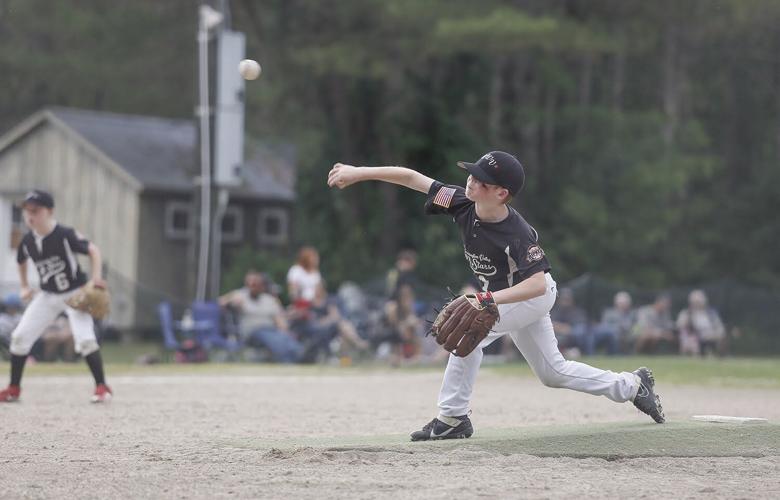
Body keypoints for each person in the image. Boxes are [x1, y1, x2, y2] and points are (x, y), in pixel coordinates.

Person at [327, 151, 665, 441]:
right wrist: (359, 173)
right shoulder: (461, 202)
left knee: (470, 330)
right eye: (473, 174)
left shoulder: (516, 233)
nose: (472, 181)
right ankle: (633, 386)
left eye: (482, 180)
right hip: (504, 296)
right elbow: (413, 178)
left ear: (502, 193)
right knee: (553, 372)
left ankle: (452, 418)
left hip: (530, 296)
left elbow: (537, 284)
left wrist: (487, 301)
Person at [0, 190, 112, 403]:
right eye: (27, 211)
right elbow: (20, 260)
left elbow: (94, 251)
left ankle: (102, 386)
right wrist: (24, 286)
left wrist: (96, 279)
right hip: (48, 295)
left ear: (49, 211)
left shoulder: (64, 234)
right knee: (20, 338)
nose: (30, 216)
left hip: (75, 293)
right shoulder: (28, 240)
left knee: (85, 340)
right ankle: (14, 388)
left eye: (35, 211)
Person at [219, 271, 302, 363]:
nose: (253, 286)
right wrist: (231, 301)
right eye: (251, 283)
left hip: (271, 330)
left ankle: (298, 355)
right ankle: (286, 360)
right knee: (272, 338)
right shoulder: (240, 295)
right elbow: (221, 301)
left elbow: (279, 320)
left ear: (262, 285)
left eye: (256, 283)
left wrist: (285, 331)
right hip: (252, 332)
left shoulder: (270, 300)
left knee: (285, 338)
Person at [676, 289, 726, 356]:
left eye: (699, 301)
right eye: (696, 302)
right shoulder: (686, 313)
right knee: (693, 340)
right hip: (695, 337)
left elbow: (719, 326)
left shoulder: (712, 313)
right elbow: (680, 326)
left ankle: (719, 355)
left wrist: (719, 333)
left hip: (712, 335)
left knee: (721, 337)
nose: (697, 304)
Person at [590, 291, 636, 355]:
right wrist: (618, 328)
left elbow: (634, 326)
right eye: (621, 303)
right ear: (616, 303)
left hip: (628, 334)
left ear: (629, 304)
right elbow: (604, 326)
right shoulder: (609, 313)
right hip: (613, 335)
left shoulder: (632, 314)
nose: (623, 305)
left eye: (625, 303)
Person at [550, 287, 589, 357]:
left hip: (573, 337)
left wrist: (566, 328)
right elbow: (550, 324)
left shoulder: (576, 311)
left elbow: (579, 326)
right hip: (558, 335)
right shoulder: (555, 311)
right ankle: (565, 352)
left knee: (580, 333)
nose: (565, 301)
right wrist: (562, 328)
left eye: (567, 299)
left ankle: (583, 353)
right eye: (564, 299)